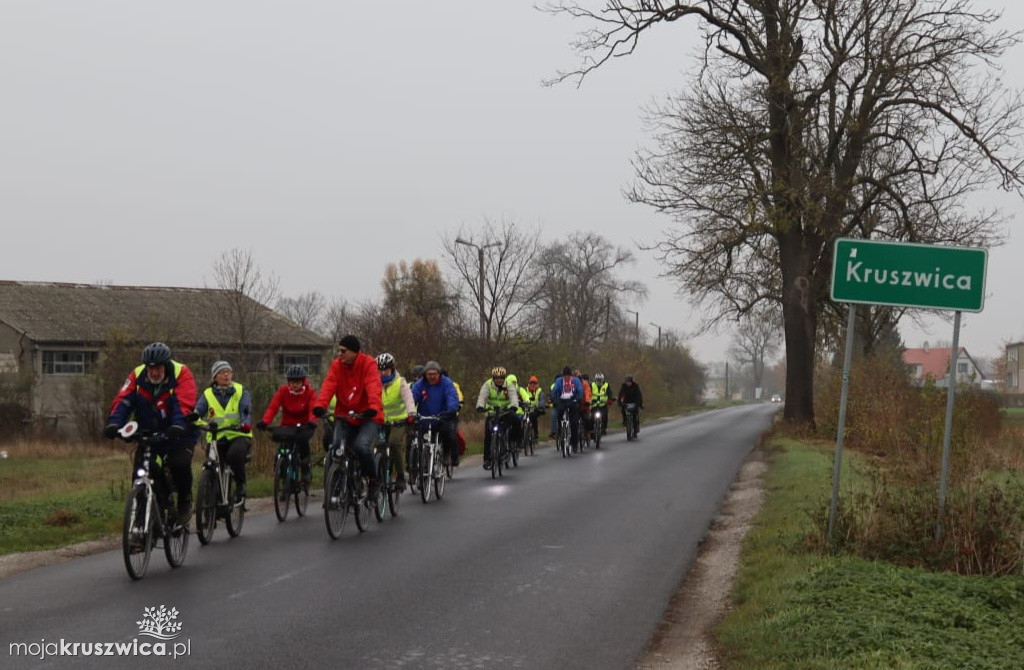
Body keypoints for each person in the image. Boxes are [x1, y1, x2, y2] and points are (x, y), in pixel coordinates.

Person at [104, 342, 199, 522]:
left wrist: (178, 425)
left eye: (159, 368)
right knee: (141, 471)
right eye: (151, 368)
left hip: (178, 433)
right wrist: (114, 424)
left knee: (179, 464)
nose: (154, 372)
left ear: (166, 365)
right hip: (149, 433)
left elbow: (183, 404)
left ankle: (184, 500)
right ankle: (140, 525)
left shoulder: (181, 373)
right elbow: (124, 401)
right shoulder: (137, 375)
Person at [313, 335, 383, 497]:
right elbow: (329, 385)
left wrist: (373, 407)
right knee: (335, 448)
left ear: (354, 352)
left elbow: (373, 386)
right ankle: (334, 491)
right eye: (338, 351)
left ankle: (373, 481)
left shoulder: (368, 364)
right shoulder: (337, 366)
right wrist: (320, 406)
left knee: (361, 446)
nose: (339, 354)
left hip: (367, 417)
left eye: (343, 351)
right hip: (345, 416)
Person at [194, 360, 254, 501]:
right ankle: (214, 504)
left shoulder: (241, 391)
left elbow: (246, 411)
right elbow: (198, 410)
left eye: (228, 371)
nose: (226, 375)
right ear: (215, 377)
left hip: (238, 434)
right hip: (216, 437)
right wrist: (194, 419)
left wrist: (245, 423)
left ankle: (240, 484)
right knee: (213, 468)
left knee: (234, 456)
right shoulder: (208, 394)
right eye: (222, 372)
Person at [257, 364, 317, 485]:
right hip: (287, 426)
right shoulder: (283, 391)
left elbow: (313, 408)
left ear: (303, 381)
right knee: (282, 449)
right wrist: (265, 421)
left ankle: (305, 469)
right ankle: (282, 474)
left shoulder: (309, 392)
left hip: (304, 426)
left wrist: (312, 421)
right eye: (292, 382)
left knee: (302, 441)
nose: (294, 384)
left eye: (298, 382)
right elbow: (273, 407)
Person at [410, 360, 461, 468]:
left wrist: (451, 409)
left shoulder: (446, 383)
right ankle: (418, 465)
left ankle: (447, 454)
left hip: (442, 417)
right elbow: (412, 398)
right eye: (429, 374)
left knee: (449, 433)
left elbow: (451, 396)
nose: (432, 377)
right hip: (425, 418)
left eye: (434, 374)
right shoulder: (420, 384)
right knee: (417, 439)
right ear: (425, 374)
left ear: (439, 374)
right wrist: (409, 411)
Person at [377, 352, 415, 491]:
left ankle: (400, 476)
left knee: (394, 443)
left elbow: (408, 398)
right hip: (381, 422)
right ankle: (376, 475)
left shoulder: (400, 382)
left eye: (386, 369)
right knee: (376, 446)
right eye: (380, 370)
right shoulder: (375, 383)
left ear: (392, 369)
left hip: (399, 421)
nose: (383, 373)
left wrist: (411, 413)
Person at [475, 366, 520, 470]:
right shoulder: (487, 385)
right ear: (493, 378)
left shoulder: (509, 385)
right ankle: (487, 460)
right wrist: (480, 406)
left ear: (504, 378)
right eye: (496, 378)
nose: (499, 380)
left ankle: (514, 441)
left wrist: (514, 406)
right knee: (488, 434)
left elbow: (513, 396)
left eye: (501, 378)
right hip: (492, 412)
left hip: (506, 410)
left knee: (516, 421)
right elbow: (482, 396)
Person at [551, 366, 584, 450]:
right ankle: (560, 433)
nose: (567, 377)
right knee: (559, 416)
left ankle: (574, 443)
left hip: (573, 401)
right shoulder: (559, 381)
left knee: (574, 423)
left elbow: (580, 390)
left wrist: (579, 398)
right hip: (562, 401)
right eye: (565, 376)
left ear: (571, 375)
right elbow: (555, 390)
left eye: (568, 376)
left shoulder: (576, 381)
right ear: (563, 376)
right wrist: (554, 399)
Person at [523, 375, 547, 442]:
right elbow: (521, 397)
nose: (533, 385)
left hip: (536, 408)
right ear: (529, 384)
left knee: (533, 416)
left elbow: (542, 399)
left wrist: (541, 405)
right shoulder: (525, 390)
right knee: (522, 419)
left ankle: (535, 434)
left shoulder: (539, 391)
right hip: (526, 408)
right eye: (531, 383)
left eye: (534, 383)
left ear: (537, 384)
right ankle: (523, 436)